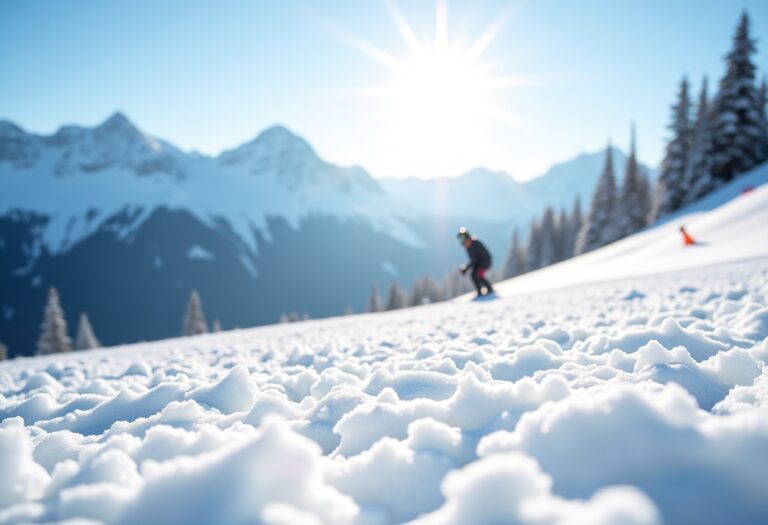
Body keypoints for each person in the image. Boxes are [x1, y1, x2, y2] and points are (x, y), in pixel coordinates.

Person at [457, 227, 494, 297]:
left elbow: (474, 260)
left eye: (464, 241)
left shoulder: (475, 244)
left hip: (485, 262)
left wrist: (466, 268)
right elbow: (474, 260)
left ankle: (489, 290)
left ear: (467, 238)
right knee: (473, 275)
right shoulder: (469, 247)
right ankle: (480, 291)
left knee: (478, 275)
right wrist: (467, 267)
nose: (464, 244)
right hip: (479, 263)